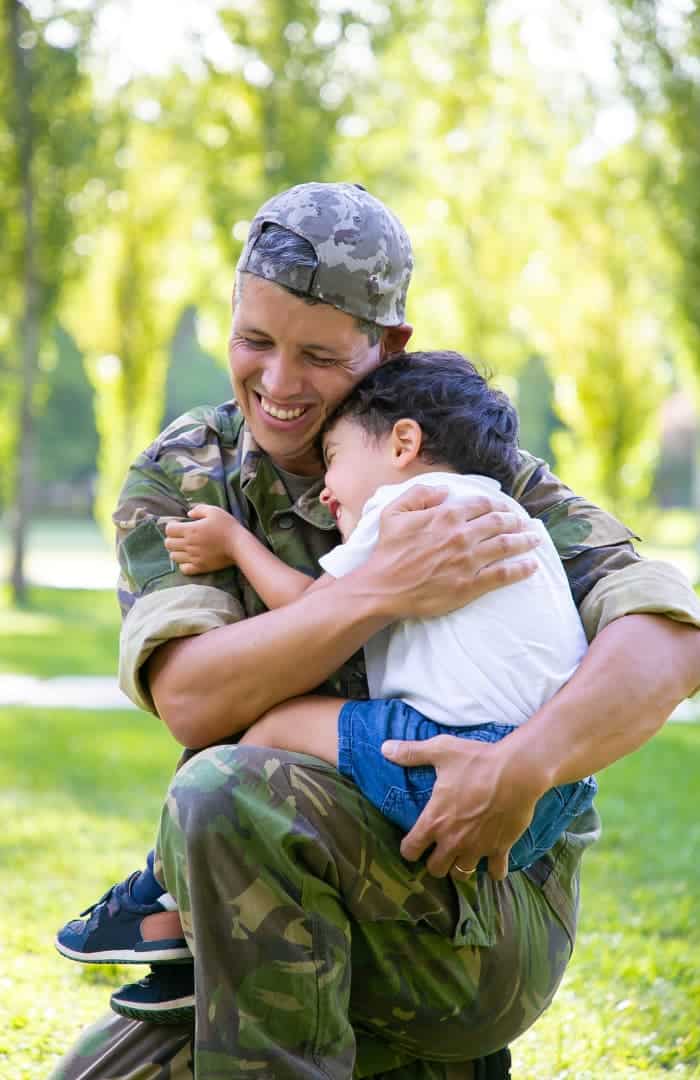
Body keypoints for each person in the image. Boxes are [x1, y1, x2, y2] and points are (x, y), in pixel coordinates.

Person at [50, 182, 700, 1080]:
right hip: (267, 910)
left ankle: (433, 1048)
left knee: (226, 788)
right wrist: (376, 590)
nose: (277, 384)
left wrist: (527, 764)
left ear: (388, 346)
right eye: (254, 342)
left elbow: (669, 638)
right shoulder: (187, 475)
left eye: (317, 354)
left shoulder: (464, 465)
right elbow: (193, 699)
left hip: (474, 905)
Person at [56, 350, 597, 1022]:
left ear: (404, 443)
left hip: (446, 759)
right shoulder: (516, 517)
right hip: (547, 792)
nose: (326, 490)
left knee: (267, 739)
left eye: (336, 459)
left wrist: (232, 543)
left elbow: (310, 603)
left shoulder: (410, 507)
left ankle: (167, 895)